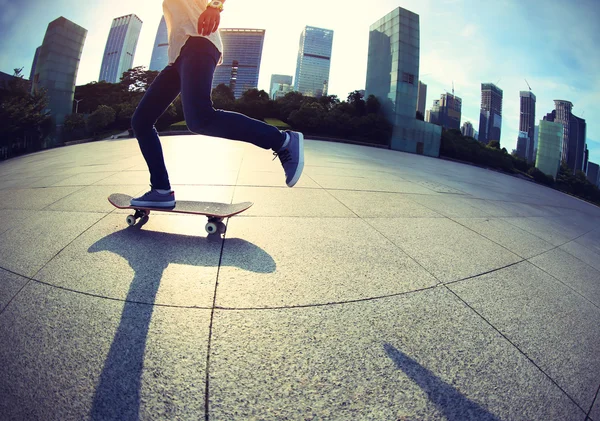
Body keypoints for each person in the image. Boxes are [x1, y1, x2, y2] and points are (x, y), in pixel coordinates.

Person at [130, 0, 304, 207]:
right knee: (141, 121)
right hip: (178, 57)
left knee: (200, 118)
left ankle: (282, 140)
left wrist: (215, 6)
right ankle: (161, 190)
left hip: (198, 41)